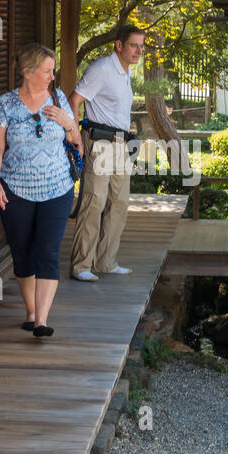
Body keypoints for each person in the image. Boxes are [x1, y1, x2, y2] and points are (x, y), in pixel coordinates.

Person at [0, 43, 81, 337]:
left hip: (57, 187)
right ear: (28, 72)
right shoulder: (7, 103)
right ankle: (30, 310)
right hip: (16, 188)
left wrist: (68, 123)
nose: (52, 76)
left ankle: (41, 320)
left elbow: (76, 139)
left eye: (52, 71)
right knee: (22, 252)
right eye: (46, 71)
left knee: (48, 252)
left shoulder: (59, 98)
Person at [67, 24, 143, 281]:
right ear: (119, 45)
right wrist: (75, 134)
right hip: (99, 142)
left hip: (121, 143)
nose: (138, 51)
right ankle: (81, 266)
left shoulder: (126, 72)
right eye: (134, 45)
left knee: (119, 203)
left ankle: (105, 261)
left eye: (141, 46)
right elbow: (74, 99)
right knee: (94, 201)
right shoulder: (101, 69)